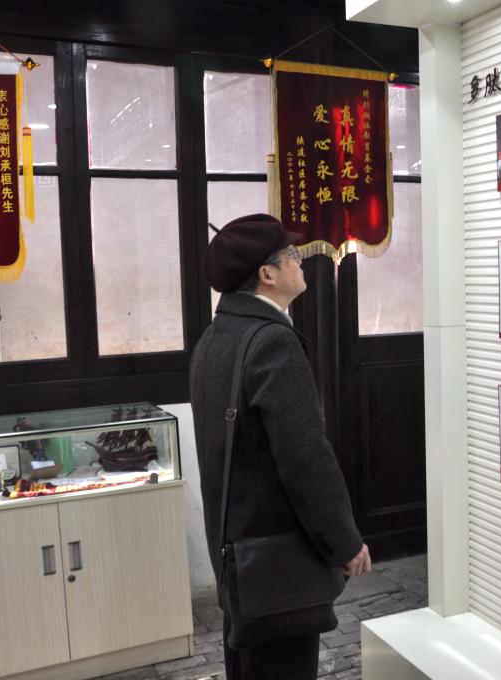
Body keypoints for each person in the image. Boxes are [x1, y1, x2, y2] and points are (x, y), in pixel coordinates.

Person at [190, 214, 371, 680]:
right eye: (291, 255)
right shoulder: (273, 343)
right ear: (267, 274)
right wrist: (345, 542)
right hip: (277, 567)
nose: (300, 260)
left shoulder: (215, 338)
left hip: (240, 561)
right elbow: (305, 459)